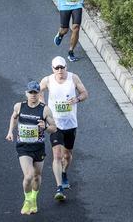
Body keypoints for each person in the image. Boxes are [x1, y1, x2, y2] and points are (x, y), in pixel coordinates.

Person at [40, 56, 89, 202]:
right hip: (55, 124)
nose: (60, 70)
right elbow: (37, 91)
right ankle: (59, 187)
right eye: (57, 68)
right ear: (52, 68)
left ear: (66, 67)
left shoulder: (73, 78)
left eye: (62, 67)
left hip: (70, 124)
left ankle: (64, 171)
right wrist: (43, 105)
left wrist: (77, 99)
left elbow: (85, 93)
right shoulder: (47, 80)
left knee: (67, 156)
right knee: (57, 156)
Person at [5, 80, 58, 214]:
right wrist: (10, 131)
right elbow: (14, 117)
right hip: (23, 147)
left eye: (35, 92)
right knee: (28, 175)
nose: (33, 95)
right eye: (31, 92)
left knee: (36, 176)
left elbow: (54, 128)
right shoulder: (19, 106)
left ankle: (34, 198)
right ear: (26, 93)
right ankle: (27, 200)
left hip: (38, 147)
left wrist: (45, 127)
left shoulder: (44, 109)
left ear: (39, 93)